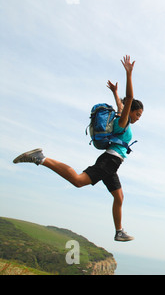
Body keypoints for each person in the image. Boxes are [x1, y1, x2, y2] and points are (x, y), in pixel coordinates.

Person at [13, 55, 144, 242]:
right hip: (109, 161)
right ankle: (41, 158)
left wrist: (115, 93)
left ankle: (119, 231)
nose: (138, 118)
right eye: (137, 114)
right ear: (131, 111)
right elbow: (129, 98)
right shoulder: (123, 121)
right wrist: (129, 74)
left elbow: (121, 103)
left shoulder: (121, 116)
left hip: (112, 164)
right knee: (77, 180)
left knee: (119, 197)